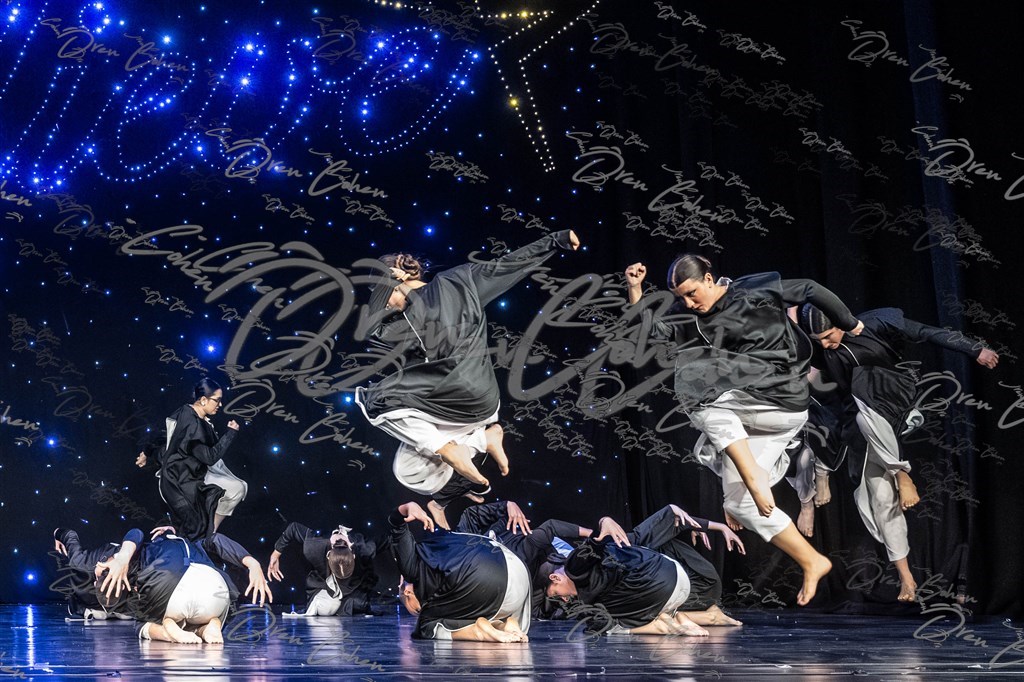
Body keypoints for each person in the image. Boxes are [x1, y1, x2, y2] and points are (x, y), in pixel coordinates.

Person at [625, 255, 863, 605]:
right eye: (681, 298)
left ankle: (755, 474)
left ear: (709, 279)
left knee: (692, 381)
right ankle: (812, 561)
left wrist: (849, 322)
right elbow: (651, 332)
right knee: (739, 505)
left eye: (692, 293)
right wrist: (635, 290)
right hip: (758, 417)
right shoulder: (690, 317)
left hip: (781, 395)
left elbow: (810, 289)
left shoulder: (753, 289)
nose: (689, 303)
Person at [356, 231, 581, 529]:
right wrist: (557, 240)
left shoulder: (421, 308)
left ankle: (451, 449)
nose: (385, 305)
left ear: (394, 281)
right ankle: (483, 440)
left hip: (455, 395)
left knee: (374, 400)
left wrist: (389, 283)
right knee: (406, 469)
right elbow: (508, 265)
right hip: (483, 403)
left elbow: (370, 328)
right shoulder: (456, 282)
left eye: (383, 294)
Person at [797, 304, 999, 601]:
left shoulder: (875, 324)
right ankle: (907, 579)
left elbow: (927, 332)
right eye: (819, 341)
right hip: (868, 426)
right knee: (878, 499)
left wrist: (975, 349)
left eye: (828, 336)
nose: (826, 345)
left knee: (862, 391)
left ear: (841, 323)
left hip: (898, 400)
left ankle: (902, 474)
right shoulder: (821, 352)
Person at [543, 505, 745, 636]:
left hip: (664, 583)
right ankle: (687, 616)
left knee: (597, 622)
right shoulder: (601, 576)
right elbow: (654, 527)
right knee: (597, 615)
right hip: (679, 583)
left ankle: (661, 624)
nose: (565, 600)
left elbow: (593, 544)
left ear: (555, 578)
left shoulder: (573, 566)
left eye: (557, 595)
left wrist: (604, 521)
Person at [54, 525, 272, 643]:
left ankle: (170, 629)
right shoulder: (184, 546)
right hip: (216, 592)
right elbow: (215, 539)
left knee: (142, 623)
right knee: (204, 607)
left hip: (168, 590)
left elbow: (135, 534)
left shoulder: (142, 555)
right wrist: (252, 563)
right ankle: (207, 625)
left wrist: (123, 557)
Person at [390, 501, 531, 642]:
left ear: (407, 592)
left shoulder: (411, 568)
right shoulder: (457, 535)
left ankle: (478, 631)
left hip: (481, 580)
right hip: (519, 573)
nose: (421, 608)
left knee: (424, 625)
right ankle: (503, 624)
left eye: (417, 609)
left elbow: (397, 527)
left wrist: (407, 507)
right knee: (459, 611)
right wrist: (507, 505)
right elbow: (472, 515)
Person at [152, 378, 247, 539]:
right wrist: (231, 434)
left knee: (237, 488)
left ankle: (211, 532)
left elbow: (164, 435)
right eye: (217, 400)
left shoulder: (185, 411)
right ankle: (205, 535)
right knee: (194, 529)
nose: (220, 404)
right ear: (203, 400)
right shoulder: (194, 425)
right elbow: (210, 457)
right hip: (180, 482)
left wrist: (147, 453)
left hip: (191, 473)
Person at [266, 521, 379, 616]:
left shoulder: (364, 549)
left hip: (352, 587)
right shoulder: (315, 546)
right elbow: (293, 528)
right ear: (328, 555)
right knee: (324, 608)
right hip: (323, 583)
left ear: (353, 556)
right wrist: (276, 553)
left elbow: (387, 539)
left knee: (358, 604)